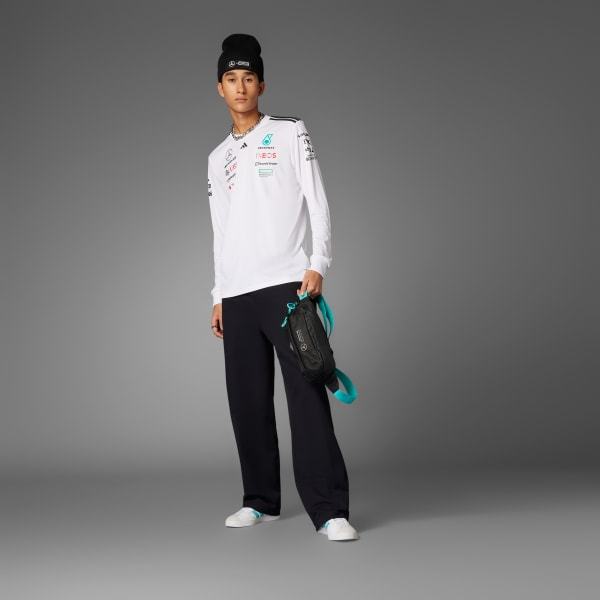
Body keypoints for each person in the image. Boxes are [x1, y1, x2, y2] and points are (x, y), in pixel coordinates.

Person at [207, 33, 359, 541]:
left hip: (286, 287)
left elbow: (318, 199)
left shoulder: (290, 132)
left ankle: (330, 510)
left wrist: (319, 261)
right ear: (220, 88)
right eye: (232, 79)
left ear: (261, 85)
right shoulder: (216, 158)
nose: (241, 87)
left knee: (307, 394)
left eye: (249, 78)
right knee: (247, 402)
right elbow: (220, 230)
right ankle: (260, 501)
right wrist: (218, 295)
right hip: (238, 294)